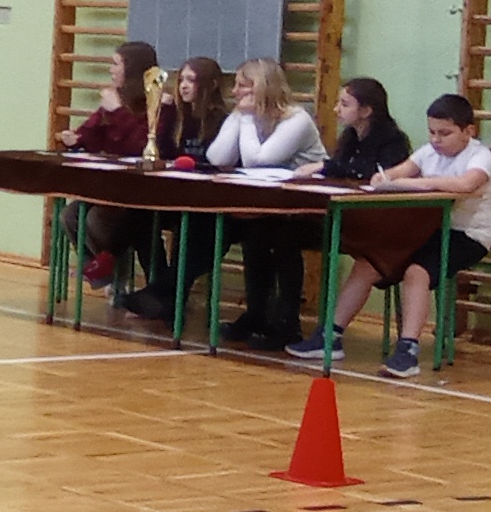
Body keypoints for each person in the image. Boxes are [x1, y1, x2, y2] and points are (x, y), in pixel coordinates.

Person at [287, 93, 491, 378]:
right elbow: (397, 173)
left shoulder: (481, 157)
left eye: (445, 133)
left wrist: (420, 183)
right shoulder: (428, 152)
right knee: (368, 262)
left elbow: (465, 185)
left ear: (468, 131)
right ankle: (330, 337)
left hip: (467, 235)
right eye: (432, 132)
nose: (436, 140)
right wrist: (385, 178)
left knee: (416, 272)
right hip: (427, 229)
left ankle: (407, 350)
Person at [266, 76, 415, 357]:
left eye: (345, 104)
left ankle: (326, 333)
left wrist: (325, 167)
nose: (336, 110)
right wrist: (325, 169)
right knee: (280, 235)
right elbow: (341, 168)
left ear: (366, 110)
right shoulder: (349, 138)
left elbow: (371, 175)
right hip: (342, 218)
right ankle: (283, 319)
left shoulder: (393, 141)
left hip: (372, 225)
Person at [195, 58, 321, 345]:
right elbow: (217, 158)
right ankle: (257, 315)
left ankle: (286, 322)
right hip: (271, 209)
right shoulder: (244, 115)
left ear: (262, 87)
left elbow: (258, 161)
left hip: (309, 212)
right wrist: (240, 118)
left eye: (243, 86)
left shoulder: (297, 119)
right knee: (252, 234)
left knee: (279, 236)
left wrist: (247, 118)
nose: (235, 92)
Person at [116, 57, 234, 321]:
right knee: (138, 216)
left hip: (206, 201)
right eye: (181, 80)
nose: (184, 86)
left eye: (191, 80)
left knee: (193, 228)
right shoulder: (177, 117)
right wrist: (164, 113)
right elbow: (163, 151)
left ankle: (162, 294)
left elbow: (220, 162)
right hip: (175, 195)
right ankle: (159, 288)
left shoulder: (222, 120)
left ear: (211, 85)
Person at [62, 38, 158, 291]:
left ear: (132, 69)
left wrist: (117, 112)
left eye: (116, 64)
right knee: (69, 216)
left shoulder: (154, 103)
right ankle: (100, 270)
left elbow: (140, 145)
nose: (111, 70)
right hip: (111, 185)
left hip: (139, 188)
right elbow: (93, 135)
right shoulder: (114, 101)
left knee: (97, 221)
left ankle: (112, 270)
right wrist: (76, 139)